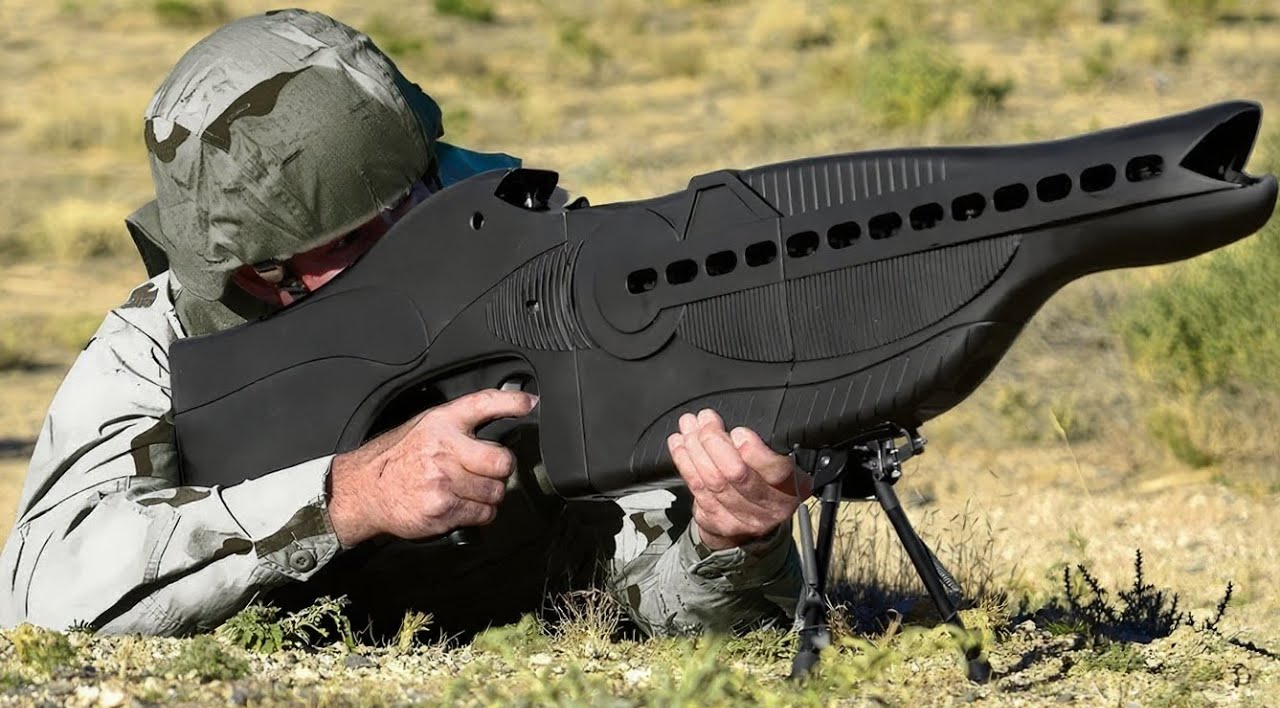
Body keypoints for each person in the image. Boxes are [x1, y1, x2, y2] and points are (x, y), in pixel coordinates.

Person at [0, 9, 809, 639]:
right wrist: (345, 496)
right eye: (337, 245)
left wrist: (729, 543)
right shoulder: (162, 345)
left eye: (399, 210)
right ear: (241, 268)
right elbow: (40, 600)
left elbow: (669, 613)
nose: (307, 282)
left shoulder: (548, 274)